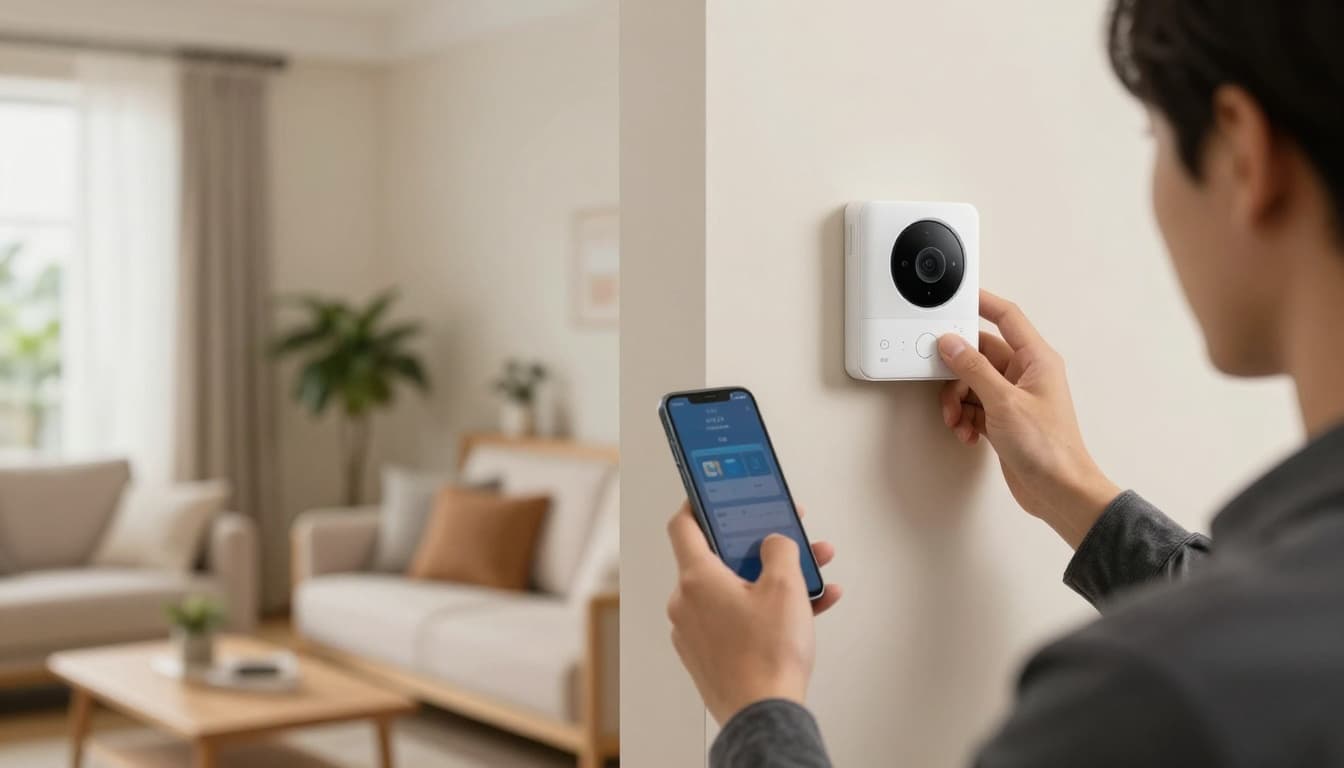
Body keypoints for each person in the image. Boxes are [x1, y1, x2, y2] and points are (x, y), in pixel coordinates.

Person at [665, 0, 1344, 765]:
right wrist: (1071, 485)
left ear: (1245, 153)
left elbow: (1230, 647)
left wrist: (758, 698)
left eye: (1152, 138)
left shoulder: (1145, 695)